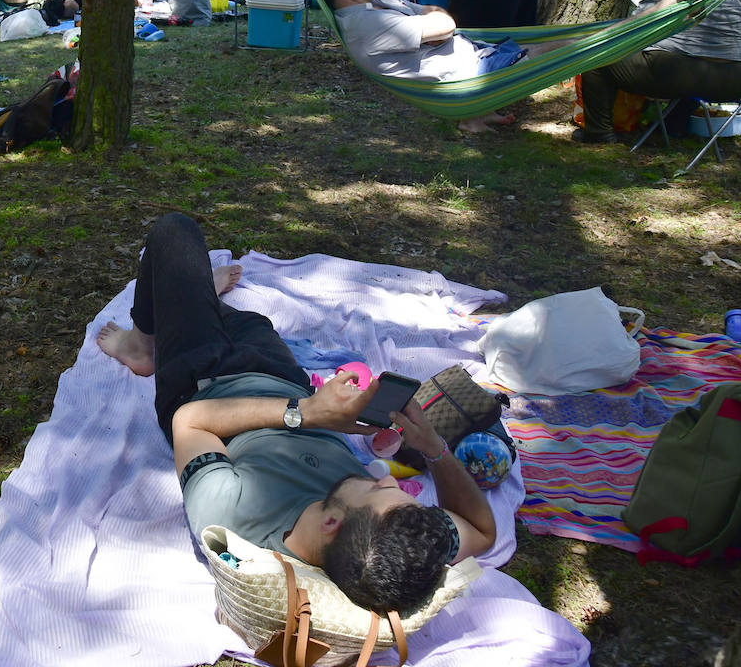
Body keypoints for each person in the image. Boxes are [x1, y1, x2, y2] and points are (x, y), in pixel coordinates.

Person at [96, 212, 495, 615]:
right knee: (249, 321)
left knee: (176, 234)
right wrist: (432, 448)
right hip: (283, 377)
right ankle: (203, 299)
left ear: (331, 524)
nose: (381, 479)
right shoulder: (397, 543)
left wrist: (305, 413)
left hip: (201, 380)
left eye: (375, 488)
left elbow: (190, 420)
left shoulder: (230, 518)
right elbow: (482, 531)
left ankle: (143, 345)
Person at [313, 0, 532, 133]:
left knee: (546, 44)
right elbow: (445, 25)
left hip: (476, 53)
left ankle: (475, 116)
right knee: (560, 47)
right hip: (471, 75)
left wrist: (439, 26)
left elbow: (436, 14)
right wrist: (440, 25)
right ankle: (473, 110)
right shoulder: (366, 25)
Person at [574, 0, 741, 143]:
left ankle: (599, 132)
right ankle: (673, 126)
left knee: (595, 60)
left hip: (678, 73)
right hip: (737, 79)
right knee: (681, 66)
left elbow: (637, 28)